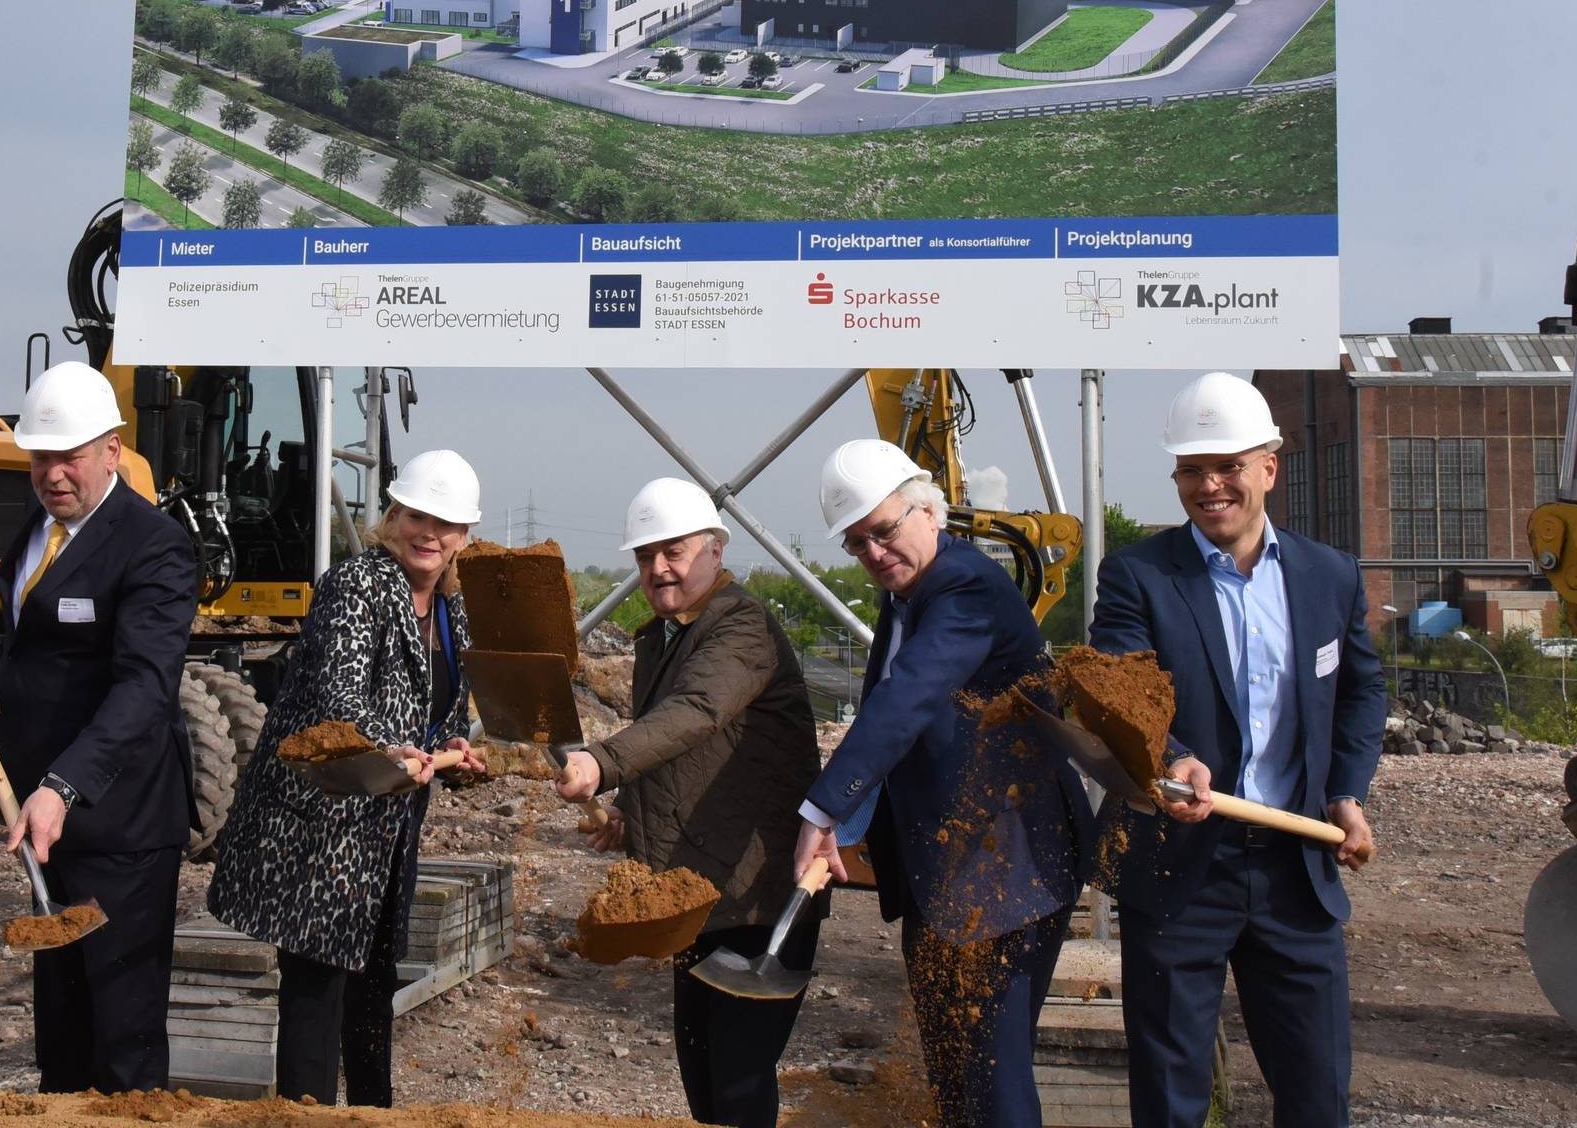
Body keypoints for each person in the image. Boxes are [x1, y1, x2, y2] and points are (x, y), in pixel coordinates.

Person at [1088, 372, 1384, 1128]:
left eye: (1227, 467)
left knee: (1318, 1094)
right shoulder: (1138, 576)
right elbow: (1120, 687)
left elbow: (1358, 694)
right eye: (1192, 470)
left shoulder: (1330, 576)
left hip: (1297, 868)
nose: (1210, 485)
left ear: (1268, 469)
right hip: (1182, 870)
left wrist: (1346, 793)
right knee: (1171, 1094)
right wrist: (1174, 755)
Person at [792, 440, 1087, 1128]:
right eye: (857, 543)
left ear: (929, 510)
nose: (873, 552)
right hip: (947, 876)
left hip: (1008, 872)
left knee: (992, 1082)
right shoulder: (909, 592)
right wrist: (856, 821)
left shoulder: (965, 586)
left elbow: (908, 698)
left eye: (884, 530)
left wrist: (822, 809)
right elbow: (898, 730)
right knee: (956, 1074)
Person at [0, 361, 200, 1094]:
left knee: (122, 1030)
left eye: (70, 456)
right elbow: (35, 642)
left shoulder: (153, 546)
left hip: (119, 824)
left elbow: (144, 687)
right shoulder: (40, 529)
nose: (54, 473)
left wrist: (63, 785)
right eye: (41, 457)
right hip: (45, 819)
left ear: (112, 450)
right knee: (62, 1024)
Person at [208, 450, 487, 1107]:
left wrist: (449, 746)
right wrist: (393, 749)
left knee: (372, 984)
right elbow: (341, 700)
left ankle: (371, 1112)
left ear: (464, 538)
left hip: (385, 831)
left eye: (446, 523)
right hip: (322, 824)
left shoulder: (452, 610)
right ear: (393, 518)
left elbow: (439, 709)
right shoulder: (358, 583)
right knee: (317, 983)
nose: (430, 533)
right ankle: (305, 1115)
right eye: (417, 515)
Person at [553, 478, 822, 1128]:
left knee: (736, 1084)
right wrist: (628, 814)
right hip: (698, 896)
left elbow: (695, 712)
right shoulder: (664, 636)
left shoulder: (742, 628)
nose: (658, 569)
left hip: (756, 896)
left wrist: (602, 762)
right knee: (702, 1081)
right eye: (645, 557)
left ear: (715, 548)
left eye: (673, 551)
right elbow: (679, 752)